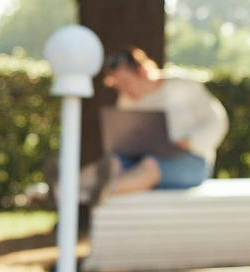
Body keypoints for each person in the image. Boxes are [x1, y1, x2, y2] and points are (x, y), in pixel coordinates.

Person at [97, 46, 228, 195]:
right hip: (142, 158)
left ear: (142, 71)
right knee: (113, 162)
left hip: (189, 160)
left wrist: (188, 142)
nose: (124, 91)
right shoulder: (126, 100)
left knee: (151, 165)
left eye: (126, 83)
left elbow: (217, 120)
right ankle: (70, 189)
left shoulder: (181, 86)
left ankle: (105, 190)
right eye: (118, 87)